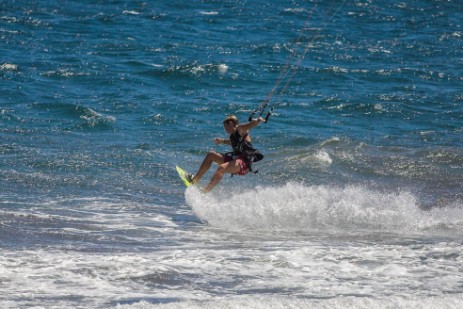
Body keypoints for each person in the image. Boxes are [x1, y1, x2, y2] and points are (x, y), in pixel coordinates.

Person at [188, 115, 265, 193]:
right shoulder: (233, 135)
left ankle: (205, 191)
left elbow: (250, 125)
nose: (225, 129)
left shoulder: (240, 129)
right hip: (236, 159)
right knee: (211, 155)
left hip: (244, 164)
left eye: (226, 127)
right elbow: (232, 142)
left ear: (231, 124)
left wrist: (257, 121)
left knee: (222, 168)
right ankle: (195, 180)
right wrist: (222, 141)